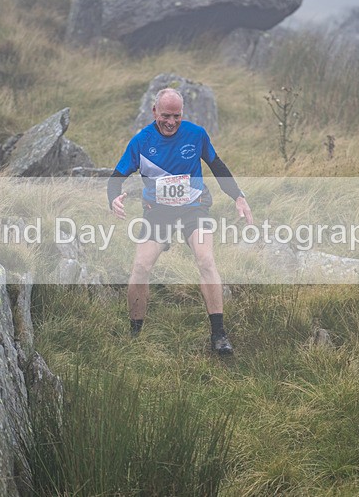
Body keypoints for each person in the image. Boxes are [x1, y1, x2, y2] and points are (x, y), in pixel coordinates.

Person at [107, 88, 253, 355]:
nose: (171, 122)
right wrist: (113, 198)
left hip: (193, 209)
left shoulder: (196, 135)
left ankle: (219, 335)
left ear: (182, 114)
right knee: (140, 267)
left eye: (176, 116)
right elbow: (115, 178)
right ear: (154, 112)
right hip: (158, 213)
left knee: (205, 260)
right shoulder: (141, 142)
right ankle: (135, 335)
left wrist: (238, 197)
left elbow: (217, 166)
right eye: (165, 116)